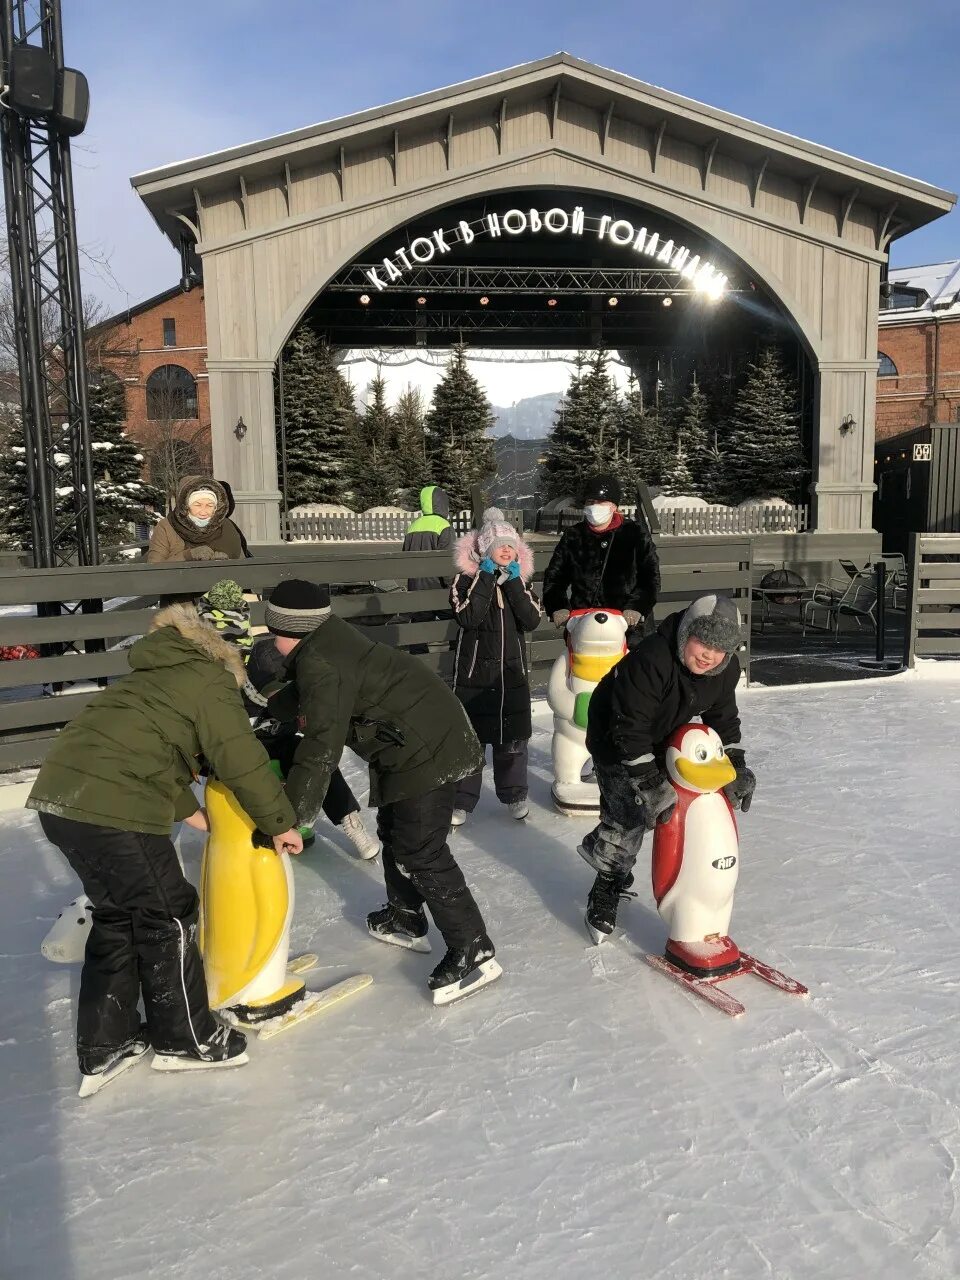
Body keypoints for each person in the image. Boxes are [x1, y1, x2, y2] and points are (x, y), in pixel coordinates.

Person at [27, 601, 303, 1091]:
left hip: (62, 802)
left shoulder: (149, 676)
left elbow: (139, 746)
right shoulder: (210, 679)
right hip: (114, 808)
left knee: (118, 915)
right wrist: (280, 821)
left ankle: (105, 1044)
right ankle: (186, 1038)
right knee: (167, 915)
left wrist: (183, 806)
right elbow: (240, 758)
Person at [260, 579, 501, 1005]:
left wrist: (288, 819)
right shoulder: (326, 641)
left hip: (427, 750)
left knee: (421, 851)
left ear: (292, 630)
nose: (271, 640)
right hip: (406, 741)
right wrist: (266, 706)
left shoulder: (322, 662)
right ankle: (406, 917)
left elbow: (319, 750)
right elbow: (309, 695)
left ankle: (474, 950)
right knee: (395, 832)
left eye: (273, 632)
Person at [578, 593, 756, 943]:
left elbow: (723, 719)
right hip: (614, 737)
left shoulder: (724, 670)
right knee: (629, 815)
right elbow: (628, 729)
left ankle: (601, 842)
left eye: (719, 648)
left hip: (659, 733)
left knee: (654, 812)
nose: (708, 655)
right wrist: (647, 782)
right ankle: (608, 884)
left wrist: (736, 765)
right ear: (685, 632)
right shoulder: (652, 660)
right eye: (702, 642)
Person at [245, 632, 381, 860]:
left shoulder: (296, 696)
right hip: (250, 752)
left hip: (285, 744)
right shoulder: (238, 701)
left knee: (315, 756)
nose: (283, 695)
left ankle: (349, 818)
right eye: (275, 689)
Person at [449, 507, 542, 826]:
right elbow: (467, 616)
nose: (506, 550)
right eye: (499, 545)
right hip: (474, 674)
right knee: (470, 740)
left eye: (510, 545)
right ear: (485, 550)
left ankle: (515, 794)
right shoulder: (465, 579)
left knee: (512, 739)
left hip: (510, 674)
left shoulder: (520, 581)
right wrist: (486, 576)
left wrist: (514, 582)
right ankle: (461, 800)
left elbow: (531, 620)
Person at [541, 473, 661, 641]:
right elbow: (555, 577)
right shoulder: (574, 536)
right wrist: (558, 606)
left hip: (628, 629)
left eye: (601, 502)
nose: (594, 506)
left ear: (613, 506)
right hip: (584, 627)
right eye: (590, 502)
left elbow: (650, 579)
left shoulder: (635, 534)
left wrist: (636, 607)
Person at [146, 476, 246, 563]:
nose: (203, 511)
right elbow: (154, 567)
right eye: (197, 505)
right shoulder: (166, 527)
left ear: (216, 508)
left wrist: (226, 564)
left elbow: (243, 567)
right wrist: (187, 556)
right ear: (186, 506)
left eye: (209, 505)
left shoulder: (227, 527)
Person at [402, 484, 453, 591]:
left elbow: (405, 560)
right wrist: (451, 585)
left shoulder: (412, 526)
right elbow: (447, 562)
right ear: (442, 503)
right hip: (437, 590)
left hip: (414, 588)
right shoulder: (444, 526)